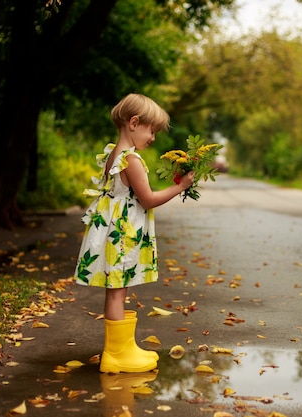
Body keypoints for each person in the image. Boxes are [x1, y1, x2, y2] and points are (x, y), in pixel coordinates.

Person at [74, 93, 195, 373]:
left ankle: (123, 349)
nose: (153, 137)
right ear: (134, 122)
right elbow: (148, 199)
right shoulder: (132, 160)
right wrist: (181, 186)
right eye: (151, 130)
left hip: (113, 232)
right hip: (123, 235)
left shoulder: (112, 156)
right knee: (117, 293)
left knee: (117, 292)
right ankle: (116, 355)